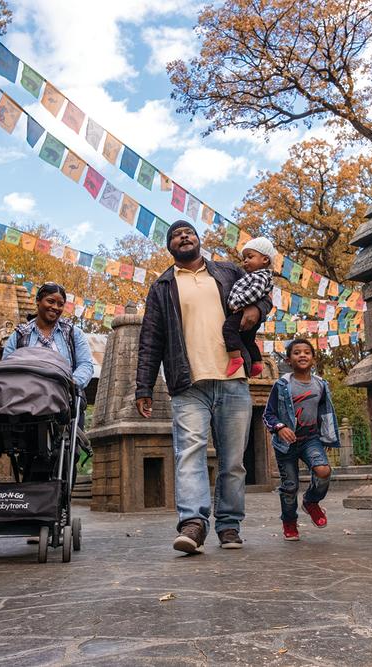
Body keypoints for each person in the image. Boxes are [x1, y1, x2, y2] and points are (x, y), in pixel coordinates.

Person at [136, 220, 272, 554]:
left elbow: (265, 294)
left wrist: (256, 309)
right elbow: (150, 340)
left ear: (198, 240)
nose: (183, 236)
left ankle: (229, 526)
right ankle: (193, 524)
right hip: (188, 384)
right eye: (175, 235)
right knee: (189, 456)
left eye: (188, 232)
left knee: (233, 461)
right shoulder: (162, 286)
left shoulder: (227, 272)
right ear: (169, 247)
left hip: (233, 379)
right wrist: (143, 387)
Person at [262, 338, 340, 541]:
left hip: (311, 439)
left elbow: (325, 413)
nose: (302, 355)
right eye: (297, 352)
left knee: (323, 471)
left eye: (307, 352)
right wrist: (279, 428)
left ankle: (311, 501)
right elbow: (268, 414)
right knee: (290, 487)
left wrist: (327, 437)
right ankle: (289, 521)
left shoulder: (320, 385)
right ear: (288, 360)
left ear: (313, 359)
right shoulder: (282, 385)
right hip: (286, 444)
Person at [2, 282, 95, 392]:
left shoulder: (73, 333)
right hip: (23, 396)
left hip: (60, 397)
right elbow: (5, 367)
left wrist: (72, 383)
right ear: (38, 301)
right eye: (50, 301)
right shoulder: (20, 335)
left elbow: (86, 364)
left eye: (60, 304)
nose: (55, 307)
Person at [223, 238, 275, 378]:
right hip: (243, 311)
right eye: (244, 257)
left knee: (228, 329)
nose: (245, 261)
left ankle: (235, 357)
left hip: (241, 311)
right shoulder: (254, 275)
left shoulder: (259, 276)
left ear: (265, 259)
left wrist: (236, 303)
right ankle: (257, 362)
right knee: (248, 340)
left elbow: (255, 292)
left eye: (250, 257)